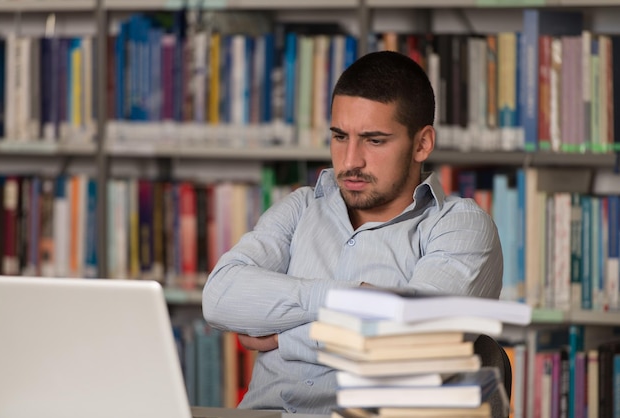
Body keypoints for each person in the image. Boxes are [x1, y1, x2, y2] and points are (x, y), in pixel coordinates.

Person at [202, 50, 503, 414]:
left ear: (422, 143)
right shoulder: (300, 208)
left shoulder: (459, 225)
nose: (349, 161)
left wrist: (282, 336)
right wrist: (346, 299)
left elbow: (414, 343)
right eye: (340, 136)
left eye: (374, 140)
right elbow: (219, 296)